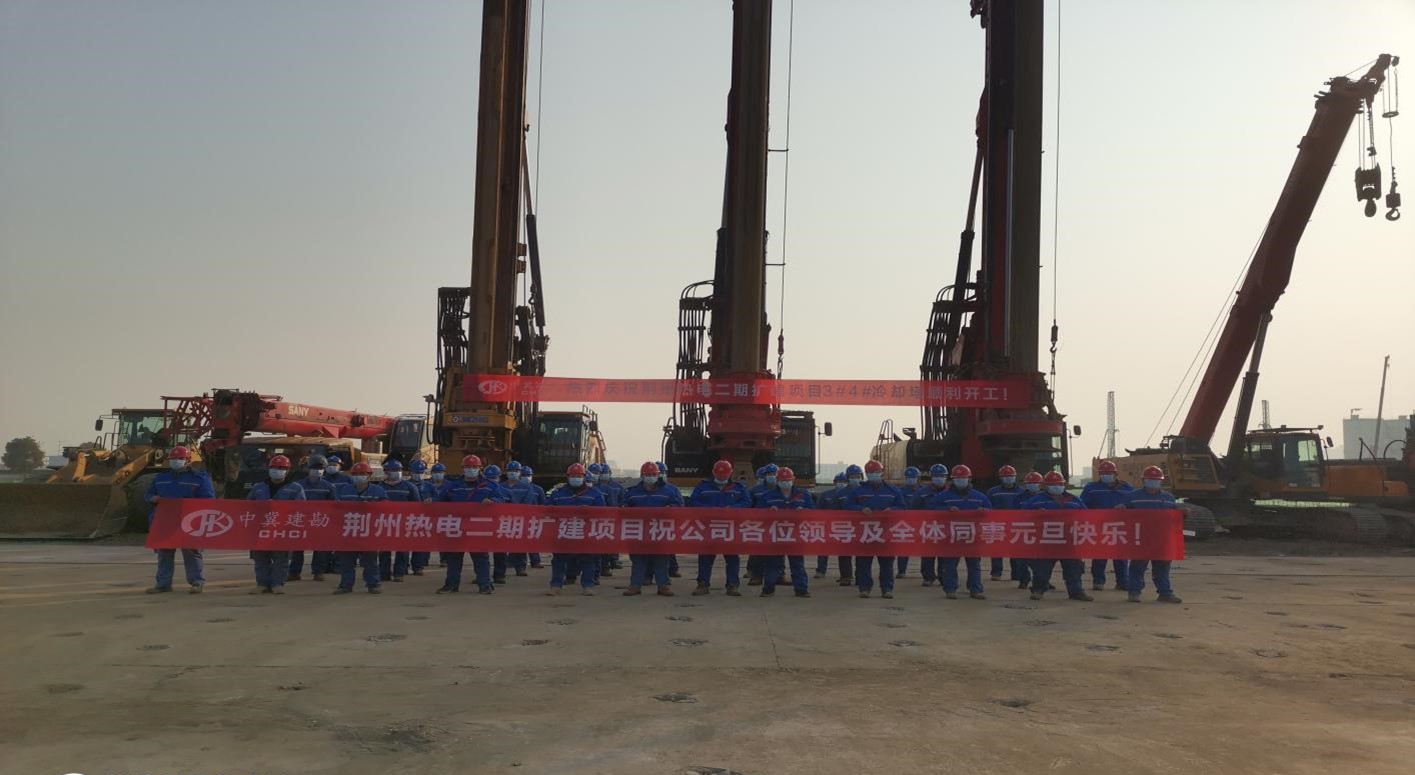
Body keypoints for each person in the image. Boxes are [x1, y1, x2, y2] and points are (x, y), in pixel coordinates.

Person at [143, 446, 214, 594]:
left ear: (188, 460)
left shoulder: (199, 478)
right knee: (164, 553)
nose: (176, 461)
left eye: (180, 459)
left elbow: (208, 500)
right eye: (173, 459)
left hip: (189, 522)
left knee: (191, 552)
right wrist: (152, 498)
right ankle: (163, 584)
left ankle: (197, 582)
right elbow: (148, 494)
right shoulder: (161, 478)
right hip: (165, 521)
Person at [918, 464, 991, 600]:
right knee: (950, 564)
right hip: (951, 536)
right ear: (952, 480)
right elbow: (932, 511)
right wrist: (946, 510)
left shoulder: (980, 497)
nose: (960, 481)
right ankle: (950, 589)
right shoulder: (943, 497)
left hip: (972, 536)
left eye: (963, 478)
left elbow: (991, 513)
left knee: (974, 565)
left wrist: (984, 512)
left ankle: (975, 589)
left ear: (969, 479)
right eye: (957, 478)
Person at [436, 455, 506, 594]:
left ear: (480, 468)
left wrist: (492, 501)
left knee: (480, 557)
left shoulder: (489, 486)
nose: (471, 469)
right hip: (457, 527)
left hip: (478, 527)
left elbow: (501, 500)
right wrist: (430, 501)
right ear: (462, 468)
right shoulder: (453, 486)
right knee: (454, 558)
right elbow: (440, 502)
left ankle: (484, 585)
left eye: (474, 467)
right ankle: (451, 585)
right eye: (468, 467)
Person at [842, 460, 907, 599]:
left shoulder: (893, 490)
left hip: (886, 532)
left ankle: (887, 589)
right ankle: (864, 588)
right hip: (865, 532)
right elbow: (848, 506)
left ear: (882, 472)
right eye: (871, 473)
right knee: (863, 563)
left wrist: (892, 510)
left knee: (887, 563)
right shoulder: (858, 491)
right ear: (866, 474)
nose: (874, 475)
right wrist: (860, 509)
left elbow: (902, 506)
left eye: (876, 472)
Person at [1024, 471, 1092, 602]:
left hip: (1069, 541)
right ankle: (1038, 590)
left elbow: (1086, 516)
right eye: (1053, 485)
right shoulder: (1036, 501)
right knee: (1042, 568)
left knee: (1074, 568)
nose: (1057, 487)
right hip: (1047, 540)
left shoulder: (1074, 500)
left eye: (1059, 484)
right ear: (1045, 486)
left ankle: (1076, 591)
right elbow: (1022, 515)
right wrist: (1035, 514)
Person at [1122, 466, 1183, 604]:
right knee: (1137, 566)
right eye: (1150, 480)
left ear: (1161, 481)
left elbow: (1173, 517)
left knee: (1162, 567)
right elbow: (1123, 516)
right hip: (1140, 538)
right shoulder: (1132, 497)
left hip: (1162, 539)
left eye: (1156, 480)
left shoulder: (1168, 498)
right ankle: (1134, 592)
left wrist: (1182, 514)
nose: (1153, 482)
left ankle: (1165, 593)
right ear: (1143, 480)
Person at [690, 459, 751, 596]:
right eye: (719, 474)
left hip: (730, 528)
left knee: (732, 558)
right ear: (714, 472)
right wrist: (709, 510)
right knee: (705, 558)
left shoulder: (738, 487)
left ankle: (732, 585)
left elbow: (746, 502)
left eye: (725, 474)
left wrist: (733, 508)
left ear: (730, 473)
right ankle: (703, 584)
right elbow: (693, 501)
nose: (722, 477)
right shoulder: (703, 486)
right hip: (708, 528)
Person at [622, 461, 683, 596]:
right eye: (647, 474)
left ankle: (663, 586)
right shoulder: (632, 492)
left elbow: (679, 507)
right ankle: (635, 585)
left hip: (660, 531)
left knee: (661, 559)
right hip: (639, 532)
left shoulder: (669, 491)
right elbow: (623, 507)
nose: (650, 477)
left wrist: (670, 509)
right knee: (638, 560)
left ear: (658, 475)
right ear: (642, 475)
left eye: (653, 474)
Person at [247, 455, 305, 594]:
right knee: (261, 557)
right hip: (262, 528)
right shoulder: (259, 487)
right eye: (274, 467)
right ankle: (262, 584)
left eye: (281, 468)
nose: (277, 470)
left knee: (281, 558)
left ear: (287, 470)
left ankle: (277, 583)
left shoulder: (295, 488)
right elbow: (248, 506)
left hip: (282, 529)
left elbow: (302, 508)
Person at [546, 463, 606, 596]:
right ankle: (556, 585)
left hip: (585, 533)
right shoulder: (558, 493)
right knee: (559, 560)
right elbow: (548, 510)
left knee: (588, 560)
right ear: (567, 477)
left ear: (584, 477)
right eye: (573, 476)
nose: (576, 478)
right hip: (564, 532)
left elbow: (602, 512)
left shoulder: (594, 494)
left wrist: (589, 512)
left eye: (578, 476)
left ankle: (588, 586)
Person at [754, 466, 813, 598]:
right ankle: (768, 589)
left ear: (793, 479)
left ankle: (801, 589)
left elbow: (813, 512)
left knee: (797, 563)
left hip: (795, 534)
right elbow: (758, 513)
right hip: (775, 534)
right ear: (777, 480)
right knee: (772, 564)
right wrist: (768, 511)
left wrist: (804, 511)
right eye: (782, 480)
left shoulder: (803, 495)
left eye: (787, 480)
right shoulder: (767, 496)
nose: (785, 482)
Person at [1081, 460, 1134, 591]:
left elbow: (1133, 505)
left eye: (1109, 473)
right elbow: (1082, 506)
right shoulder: (1091, 488)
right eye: (1103, 473)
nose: (1106, 475)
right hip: (1099, 526)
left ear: (1115, 474)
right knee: (1100, 555)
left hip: (1120, 527)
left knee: (1121, 556)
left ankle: (1123, 582)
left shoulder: (1126, 488)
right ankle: (1098, 581)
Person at [334, 461, 386, 594]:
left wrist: (371, 507)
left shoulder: (378, 491)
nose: (359, 476)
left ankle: (373, 584)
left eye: (362, 474)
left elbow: (386, 509)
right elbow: (336, 509)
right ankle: (346, 585)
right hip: (349, 531)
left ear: (369, 475)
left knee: (370, 560)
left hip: (368, 531)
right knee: (347, 560)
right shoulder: (345, 490)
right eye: (356, 474)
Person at [376, 459, 420, 582]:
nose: (395, 472)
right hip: (384, 523)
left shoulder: (410, 487)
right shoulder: (379, 487)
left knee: (403, 549)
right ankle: (384, 573)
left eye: (398, 470)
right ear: (385, 472)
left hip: (403, 523)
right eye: (392, 470)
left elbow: (417, 506)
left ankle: (399, 573)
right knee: (384, 550)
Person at [986, 465, 1027, 587]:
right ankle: (996, 572)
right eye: (1006, 476)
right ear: (1001, 478)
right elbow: (988, 506)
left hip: (1015, 525)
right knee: (997, 549)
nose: (1009, 478)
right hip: (998, 524)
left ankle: (1016, 573)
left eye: (1011, 476)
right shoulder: (993, 492)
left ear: (1015, 477)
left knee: (1015, 550)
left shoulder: (1022, 492)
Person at [916, 464, 951, 586]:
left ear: (946, 477)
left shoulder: (951, 492)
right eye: (936, 476)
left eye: (941, 476)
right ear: (931, 477)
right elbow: (913, 509)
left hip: (946, 529)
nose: (939, 478)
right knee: (927, 554)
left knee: (944, 555)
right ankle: (928, 577)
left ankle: (943, 576)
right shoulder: (922, 493)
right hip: (928, 528)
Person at [745, 463, 779, 585]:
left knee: (778, 552)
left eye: (774, 474)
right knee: (758, 552)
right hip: (759, 525)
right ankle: (756, 575)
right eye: (769, 474)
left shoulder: (783, 490)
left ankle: (780, 575)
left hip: (778, 526)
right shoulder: (756, 490)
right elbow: (748, 506)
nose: (772, 476)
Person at [814, 472, 848, 579]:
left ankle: (846, 575)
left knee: (844, 552)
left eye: (843, 481)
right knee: (824, 549)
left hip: (844, 527)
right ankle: (821, 571)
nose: (841, 483)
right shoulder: (826, 495)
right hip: (827, 526)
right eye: (839, 481)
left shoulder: (850, 494)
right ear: (834, 482)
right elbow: (818, 510)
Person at [406, 459, 434, 575]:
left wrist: (432, 500)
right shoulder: (405, 485)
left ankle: (418, 567)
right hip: (407, 519)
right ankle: (403, 567)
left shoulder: (429, 486)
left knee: (420, 543)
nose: (419, 474)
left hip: (424, 519)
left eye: (421, 472)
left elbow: (439, 498)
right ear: (411, 472)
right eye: (416, 472)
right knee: (405, 545)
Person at [895, 466, 923, 578]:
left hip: (921, 523)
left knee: (926, 549)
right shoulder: (900, 491)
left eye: (913, 477)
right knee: (903, 548)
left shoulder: (923, 491)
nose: (910, 480)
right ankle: (901, 571)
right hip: (905, 523)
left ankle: (927, 573)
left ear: (918, 478)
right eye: (908, 478)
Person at [656, 461, 680, 578]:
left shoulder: (672, 489)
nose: (661, 475)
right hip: (649, 525)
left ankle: (672, 570)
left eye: (663, 472)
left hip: (667, 525)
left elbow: (680, 505)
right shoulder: (641, 490)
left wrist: (671, 508)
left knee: (668, 550)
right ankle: (648, 575)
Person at [520, 465, 547, 568]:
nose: (526, 478)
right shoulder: (516, 489)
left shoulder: (538, 489)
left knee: (533, 541)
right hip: (519, 519)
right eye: (524, 475)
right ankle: (518, 563)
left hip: (534, 519)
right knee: (519, 542)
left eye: (528, 475)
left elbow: (543, 504)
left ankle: (535, 561)